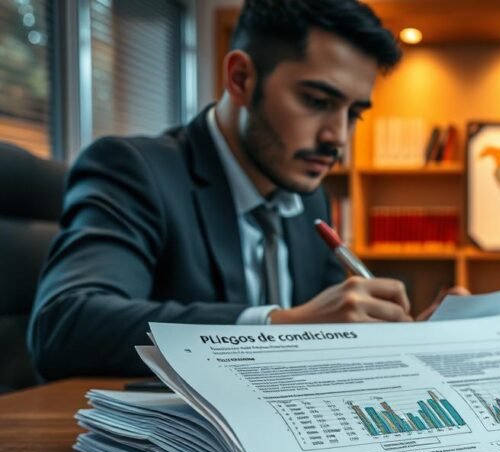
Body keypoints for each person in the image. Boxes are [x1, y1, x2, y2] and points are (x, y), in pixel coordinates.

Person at [29, 0, 460, 380]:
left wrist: (402, 339)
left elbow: (329, 331)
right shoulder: (135, 170)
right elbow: (66, 325)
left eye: (354, 114)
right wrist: (277, 326)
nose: (338, 138)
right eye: (316, 101)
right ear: (240, 79)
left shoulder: (310, 197)